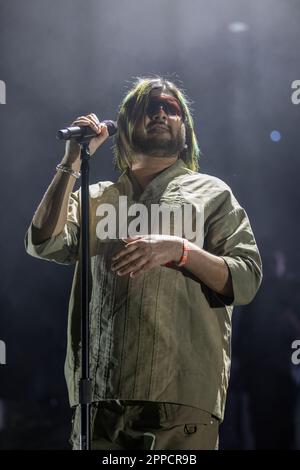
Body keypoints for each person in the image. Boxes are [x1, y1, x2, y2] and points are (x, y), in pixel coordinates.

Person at [25, 77, 262, 450]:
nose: (161, 113)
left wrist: (181, 251)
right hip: (99, 397)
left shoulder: (212, 194)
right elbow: (43, 242)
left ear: (186, 129)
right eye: (149, 107)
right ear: (123, 125)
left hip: (179, 398)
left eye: (171, 108)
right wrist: (71, 161)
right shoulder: (96, 196)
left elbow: (246, 279)